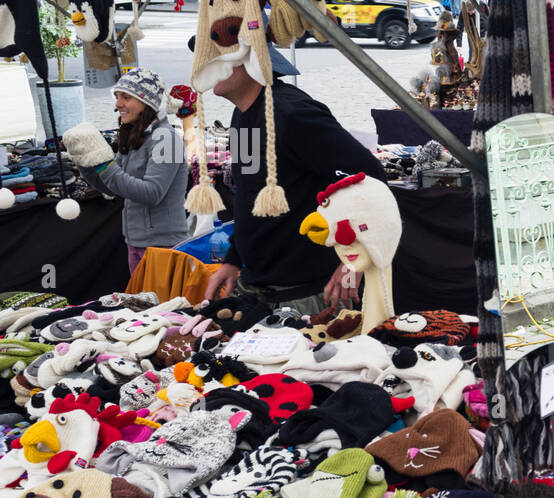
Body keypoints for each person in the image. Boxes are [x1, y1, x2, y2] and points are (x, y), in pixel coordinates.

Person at [203, 47, 386, 314]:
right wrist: (234, 258)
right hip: (257, 290)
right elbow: (248, 197)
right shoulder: (242, 113)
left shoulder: (293, 114)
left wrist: (355, 261)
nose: (206, 65)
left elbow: (371, 178)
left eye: (218, 55)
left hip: (307, 297)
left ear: (252, 61)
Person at [74, 68, 188, 274]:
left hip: (163, 246)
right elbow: (113, 188)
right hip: (135, 242)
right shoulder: (135, 134)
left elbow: (152, 193)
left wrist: (105, 165)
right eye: (117, 97)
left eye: (126, 97)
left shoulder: (167, 139)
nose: (118, 104)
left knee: (159, 306)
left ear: (147, 103)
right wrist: (86, 163)